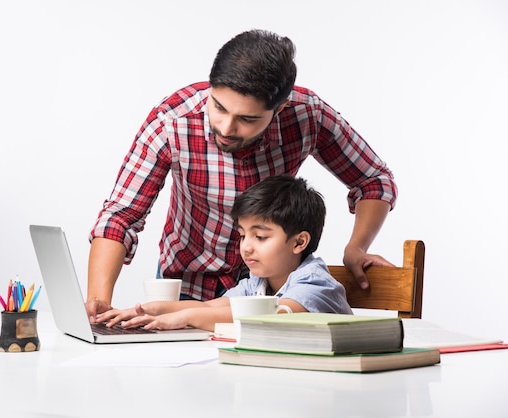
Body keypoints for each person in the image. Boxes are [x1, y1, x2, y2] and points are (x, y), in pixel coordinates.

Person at [86, 29, 396, 320]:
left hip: (270, 289)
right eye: (218, 107)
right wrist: (98, 304)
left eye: (247, 119)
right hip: (189, 284)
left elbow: (373, 180)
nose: (226, 128)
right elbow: (121, 216)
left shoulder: (307, 116)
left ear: (280, 108)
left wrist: (356, 247)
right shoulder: (173, 121)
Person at [96, 175, 353, 332]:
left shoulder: (314, 281)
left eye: (260, 236)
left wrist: (185, 317)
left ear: (299, 243)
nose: (246, 246)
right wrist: (148, 310)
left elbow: (270, 317)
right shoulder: (258, 283)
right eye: (242, 235)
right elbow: (211, 306)